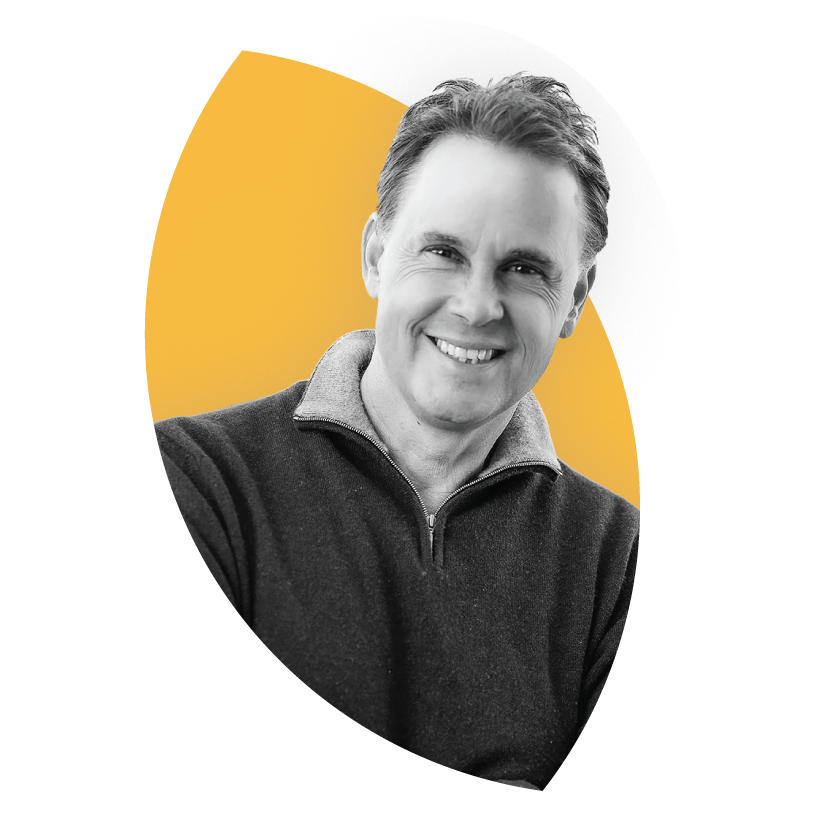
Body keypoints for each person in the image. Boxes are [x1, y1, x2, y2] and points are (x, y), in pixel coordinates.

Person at [154, 71, 638, 790]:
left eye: (524, 268)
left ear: (574, 300)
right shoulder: (200, 480)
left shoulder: (615, 562)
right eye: (443, 252)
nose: (477, 306)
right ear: (377, 256)